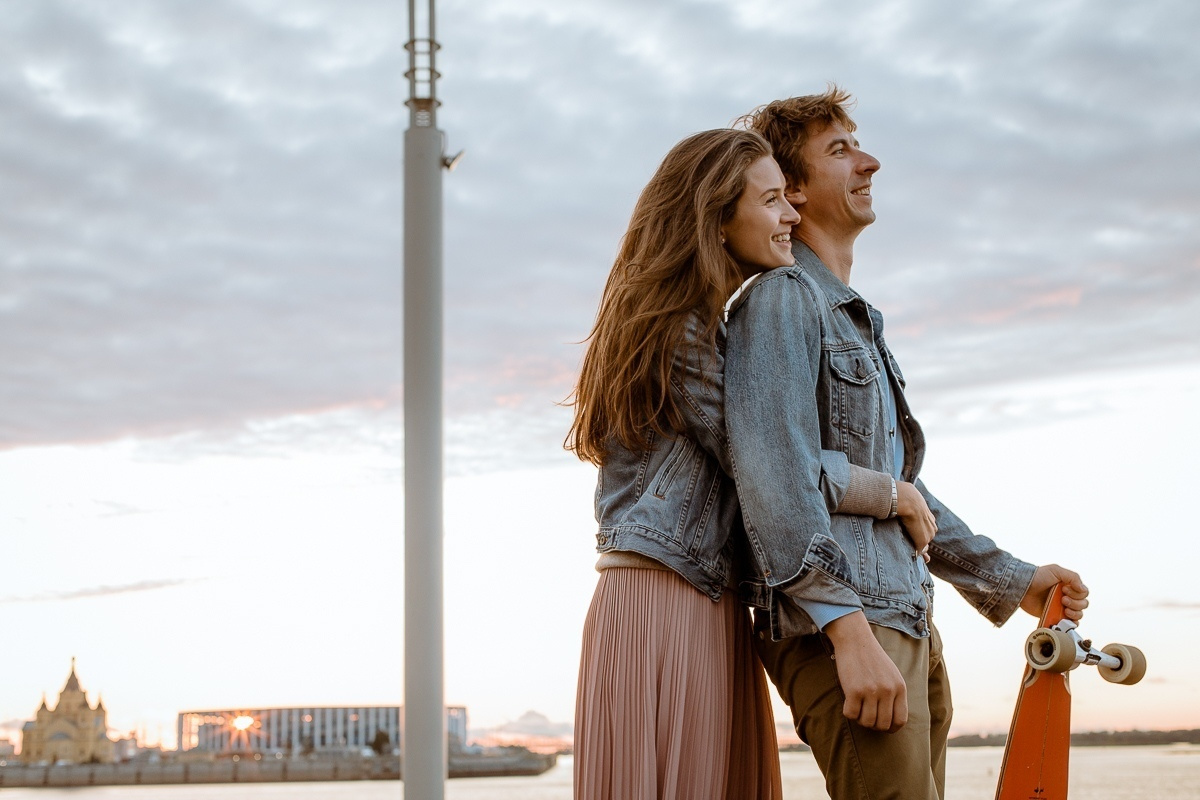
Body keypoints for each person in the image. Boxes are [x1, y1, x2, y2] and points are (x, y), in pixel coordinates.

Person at [722, 88, 1091, 800]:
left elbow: (902, 491)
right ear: (791, 189)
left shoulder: (853, 319)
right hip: (849, 632)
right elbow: (772, 478)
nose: (870, 160)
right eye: (841, 150)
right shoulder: (781, 300)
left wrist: (1013, 580)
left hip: (903, 617)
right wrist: (847, 633)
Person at [565, 128, 927, 800]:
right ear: (716, 217)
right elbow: (768, 464)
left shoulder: (700, 323)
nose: (791, 213)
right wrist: (890, 494)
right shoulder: (681, 330)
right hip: (665, 600)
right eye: (770, 201)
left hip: (706, 599)